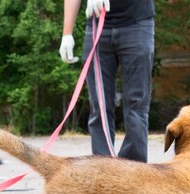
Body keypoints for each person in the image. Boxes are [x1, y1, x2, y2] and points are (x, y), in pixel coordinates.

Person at [60, 0, 155, 162]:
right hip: (97, 29)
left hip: (137, 25)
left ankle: (135, 171)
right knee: (99, 106)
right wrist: (67, 34)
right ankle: (103, 170)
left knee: (136, 104)